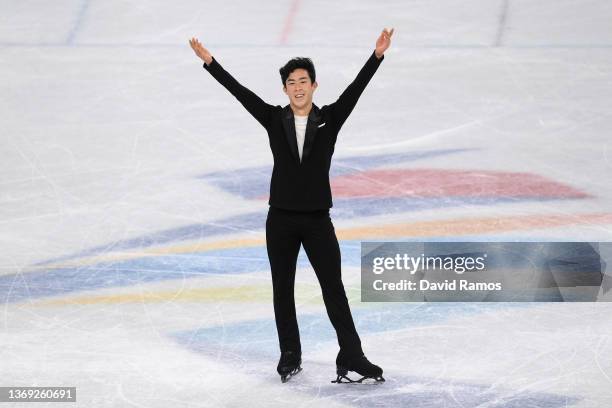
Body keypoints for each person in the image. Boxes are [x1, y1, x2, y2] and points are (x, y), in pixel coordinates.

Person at [189, 28, 394, 383]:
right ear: (285, 89)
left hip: (317, 220)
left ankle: (351, 353)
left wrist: (376, 56)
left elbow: (355, 90)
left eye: (303, 80)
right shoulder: (273, 119)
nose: (297, 87)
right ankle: (290, 353)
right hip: (280, 219)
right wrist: (211, 63)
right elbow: (240, 93)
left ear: (314, 85)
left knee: (334, 288)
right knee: (282, 287)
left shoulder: (330, 118)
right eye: (291, 82)